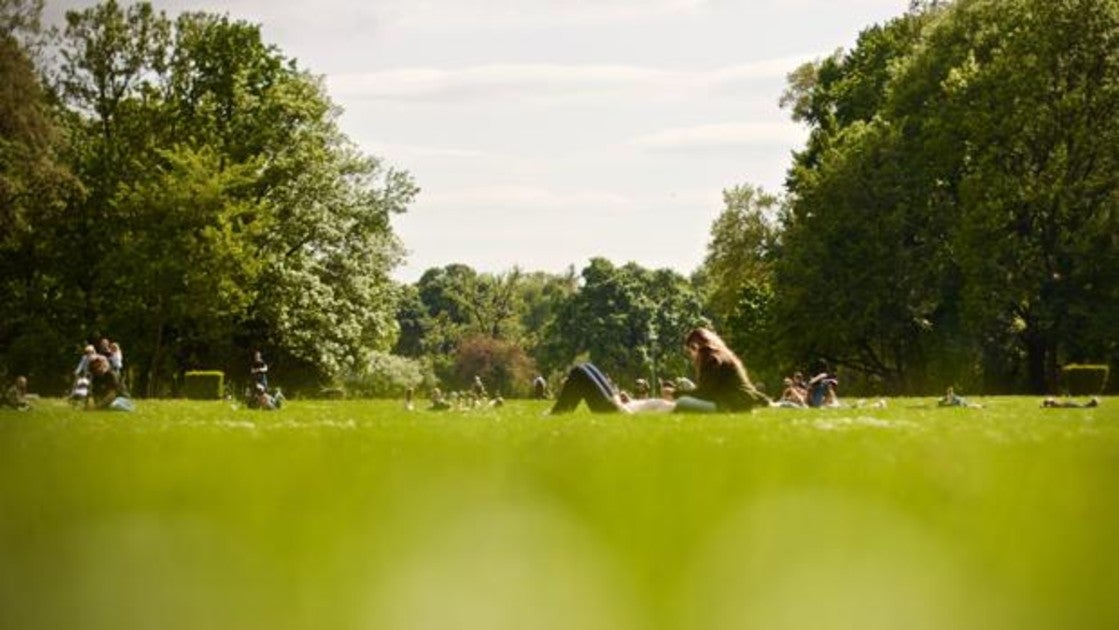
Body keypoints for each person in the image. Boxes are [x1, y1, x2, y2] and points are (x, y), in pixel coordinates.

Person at [549, 327, 767, 415]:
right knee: (585, 368)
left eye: (691, 351)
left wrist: (675, 394)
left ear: (697, 346)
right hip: (628, 408)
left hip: (623, 414)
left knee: (580, 371)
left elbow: (705, 394)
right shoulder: (720, 362)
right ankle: (557, 413)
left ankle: (555, 415)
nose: (691, 357)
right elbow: (713, 393)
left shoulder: (713, 360)